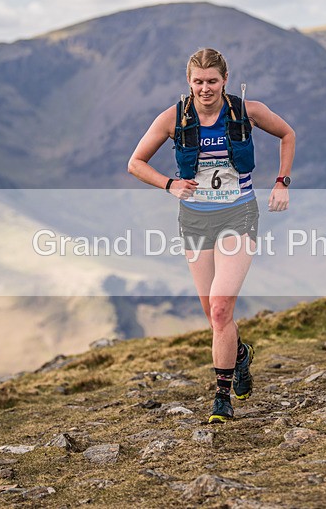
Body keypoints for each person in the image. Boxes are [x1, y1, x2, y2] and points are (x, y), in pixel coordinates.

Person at [127, 48, 295, 423]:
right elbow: (135, 163)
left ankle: (222, 397)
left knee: (221, 308)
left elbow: (287, 134)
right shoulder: (173, 118)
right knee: (214, 316)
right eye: (198, 82)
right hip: (195, 220)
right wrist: (169, 184)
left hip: (239, 214)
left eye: (212, 81)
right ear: (189, 82)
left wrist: (282, 181)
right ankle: (239, 356)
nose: (205, 89)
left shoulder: (247, 111)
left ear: (225, 80)